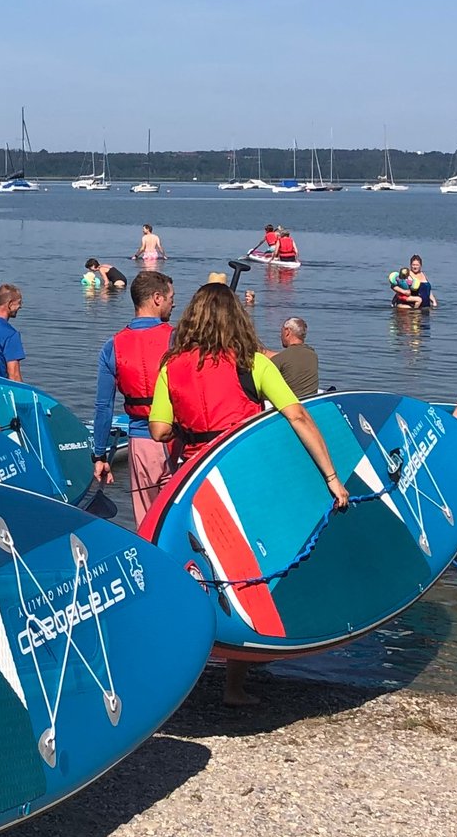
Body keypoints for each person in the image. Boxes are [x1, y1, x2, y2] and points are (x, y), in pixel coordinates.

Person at [147, 282, 350, 706]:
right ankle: (235, 685)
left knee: (192, 570)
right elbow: (295, 415)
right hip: (239, 474)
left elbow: (159, 430)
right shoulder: (254, 363)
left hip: (191, 475)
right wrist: (331, 477)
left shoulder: (171, 365)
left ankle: (179, 663)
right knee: (248, 570)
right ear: (237, 319)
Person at [91, 270, 176, 525]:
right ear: (157, 298)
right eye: (172, 298)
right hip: (178, 440)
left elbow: (103, 407)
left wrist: (99, 455)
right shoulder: (178, 338)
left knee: (148, 523)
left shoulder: (112, 346)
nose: (174, 303)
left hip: (141, 444)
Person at [269, 317, 320, 399]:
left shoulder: (281, 358)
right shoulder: (313, 355)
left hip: (290, 405)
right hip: (309, 402)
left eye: (281, 331)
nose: (280, 335)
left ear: (287, 332)